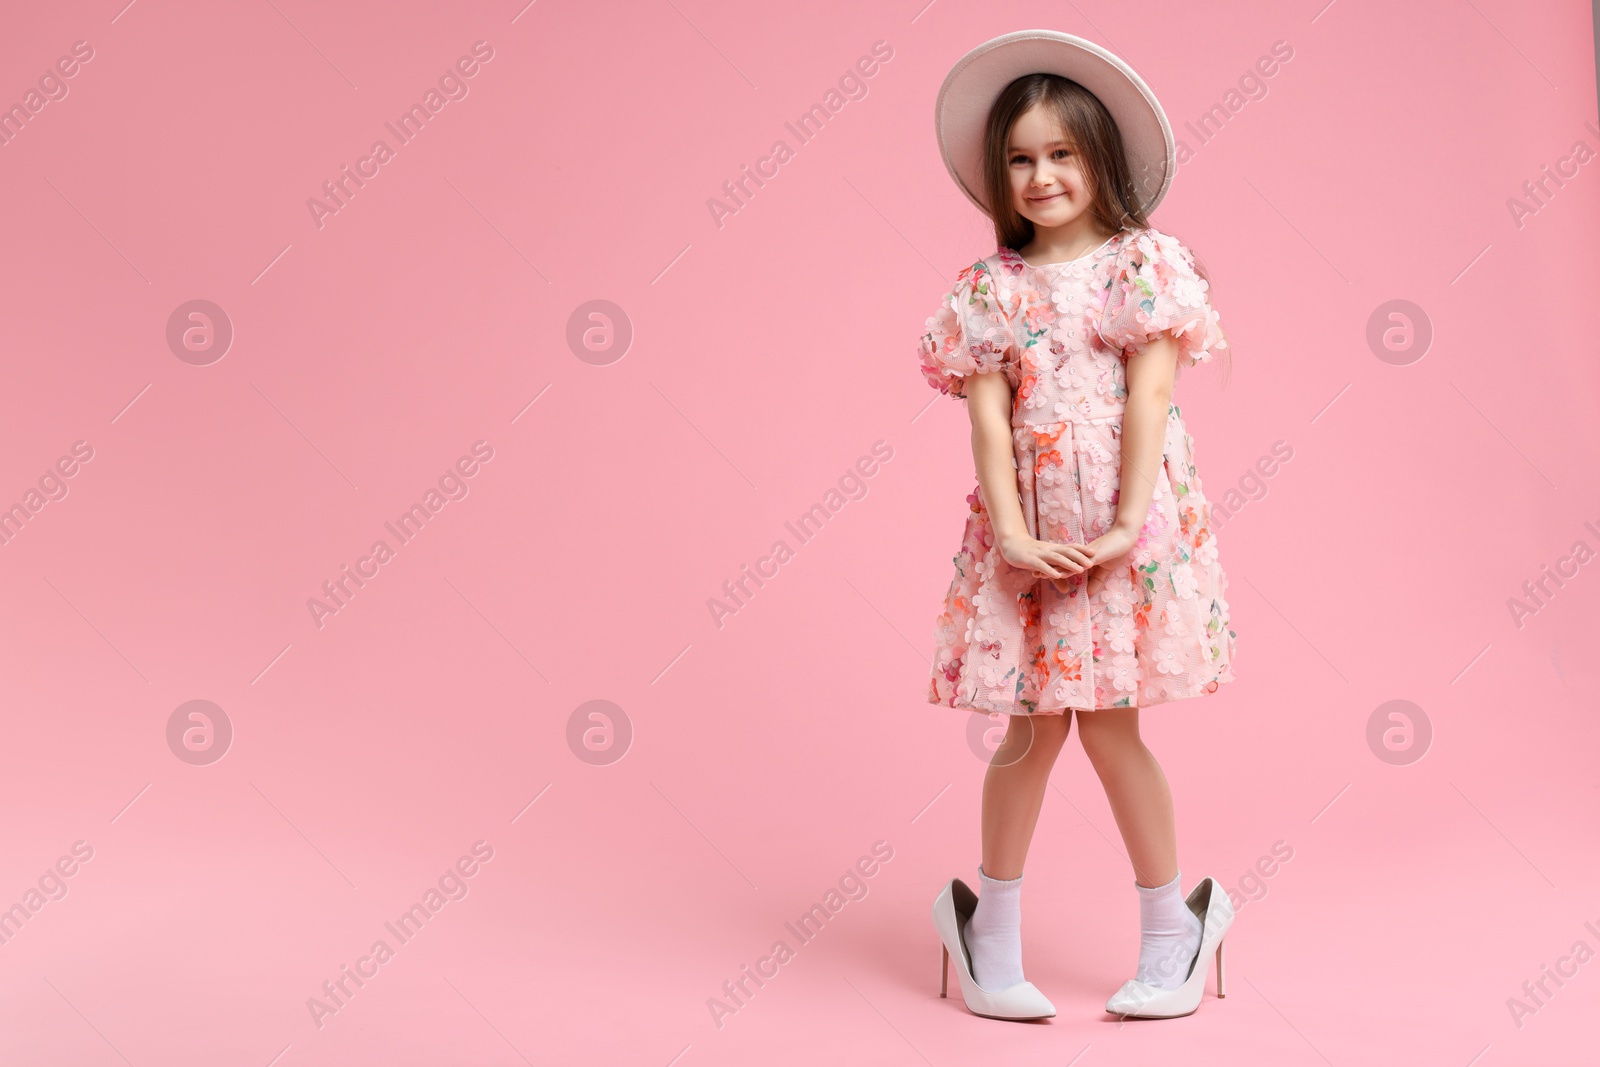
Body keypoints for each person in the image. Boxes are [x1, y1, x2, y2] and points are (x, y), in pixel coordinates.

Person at [921, 31, 1238, 1021]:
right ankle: (987, 927)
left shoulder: (1142, 267)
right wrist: (1011, 536)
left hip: (1120, 537)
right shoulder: (985, 290)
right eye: (1020, 157)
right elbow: (985, 418)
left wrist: (1131, 521)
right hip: (1031, 541)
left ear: (1099, 156)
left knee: (1110, 730)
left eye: (1060, 153)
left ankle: (1177, 928)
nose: (1041, 174)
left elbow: (1150, 399)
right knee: (1026, 732)